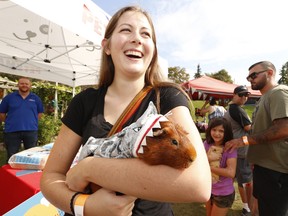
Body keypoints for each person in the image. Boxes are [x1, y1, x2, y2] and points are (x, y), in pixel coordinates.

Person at [40, 6, 211, 216]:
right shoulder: (84, 102)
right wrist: (85, 206)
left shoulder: (167, 98)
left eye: (145, 34)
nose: (137, 39)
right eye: (126, 30)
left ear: (153, 50)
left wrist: (90, 168)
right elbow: (51, 177)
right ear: (107, 46)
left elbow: (197, 185)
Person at [225, 61, 288, 216]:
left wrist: (245, 141)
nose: (250, 79)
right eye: (248, 77)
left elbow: (284, 128)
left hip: (276, 171)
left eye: (254, 75)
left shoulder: (279, 92)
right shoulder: (265, 98)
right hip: (263, 167)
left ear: (270, 73)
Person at [224, 85, 253, 216]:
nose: (244, 97)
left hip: (234, 150)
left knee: (234, 178)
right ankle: (248, 207)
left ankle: (233, 199)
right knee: (245, 180)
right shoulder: (237, 110)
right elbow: (250, 129)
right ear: (234, 95)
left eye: (246, 95)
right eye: (241, 95)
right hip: (242, 151)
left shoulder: (229, 109)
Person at [0, 77, 44, 162]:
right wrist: (10, 122)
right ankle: (10, 174)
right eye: (22, 83)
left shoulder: (36, 98)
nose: (24, 85)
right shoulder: (9, 98)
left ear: (30, 85)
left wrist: (31, 121)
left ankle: (28, 174)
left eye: (26, 84)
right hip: (12, 131)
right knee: (12, 156)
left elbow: (40, 113)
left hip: (31, 131)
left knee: (31, 156)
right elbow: (2, 113)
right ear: (18, 85)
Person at [204, 118, 237, 216]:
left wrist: (207, 166)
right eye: (214, 130)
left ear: (226, 133)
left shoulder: (230, 148)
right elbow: (197, 163)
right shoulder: (206, 144)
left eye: (221, 131)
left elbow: (231, 173)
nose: (216, 133)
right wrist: (209, 159)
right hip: (208, 189)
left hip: (223, 193)